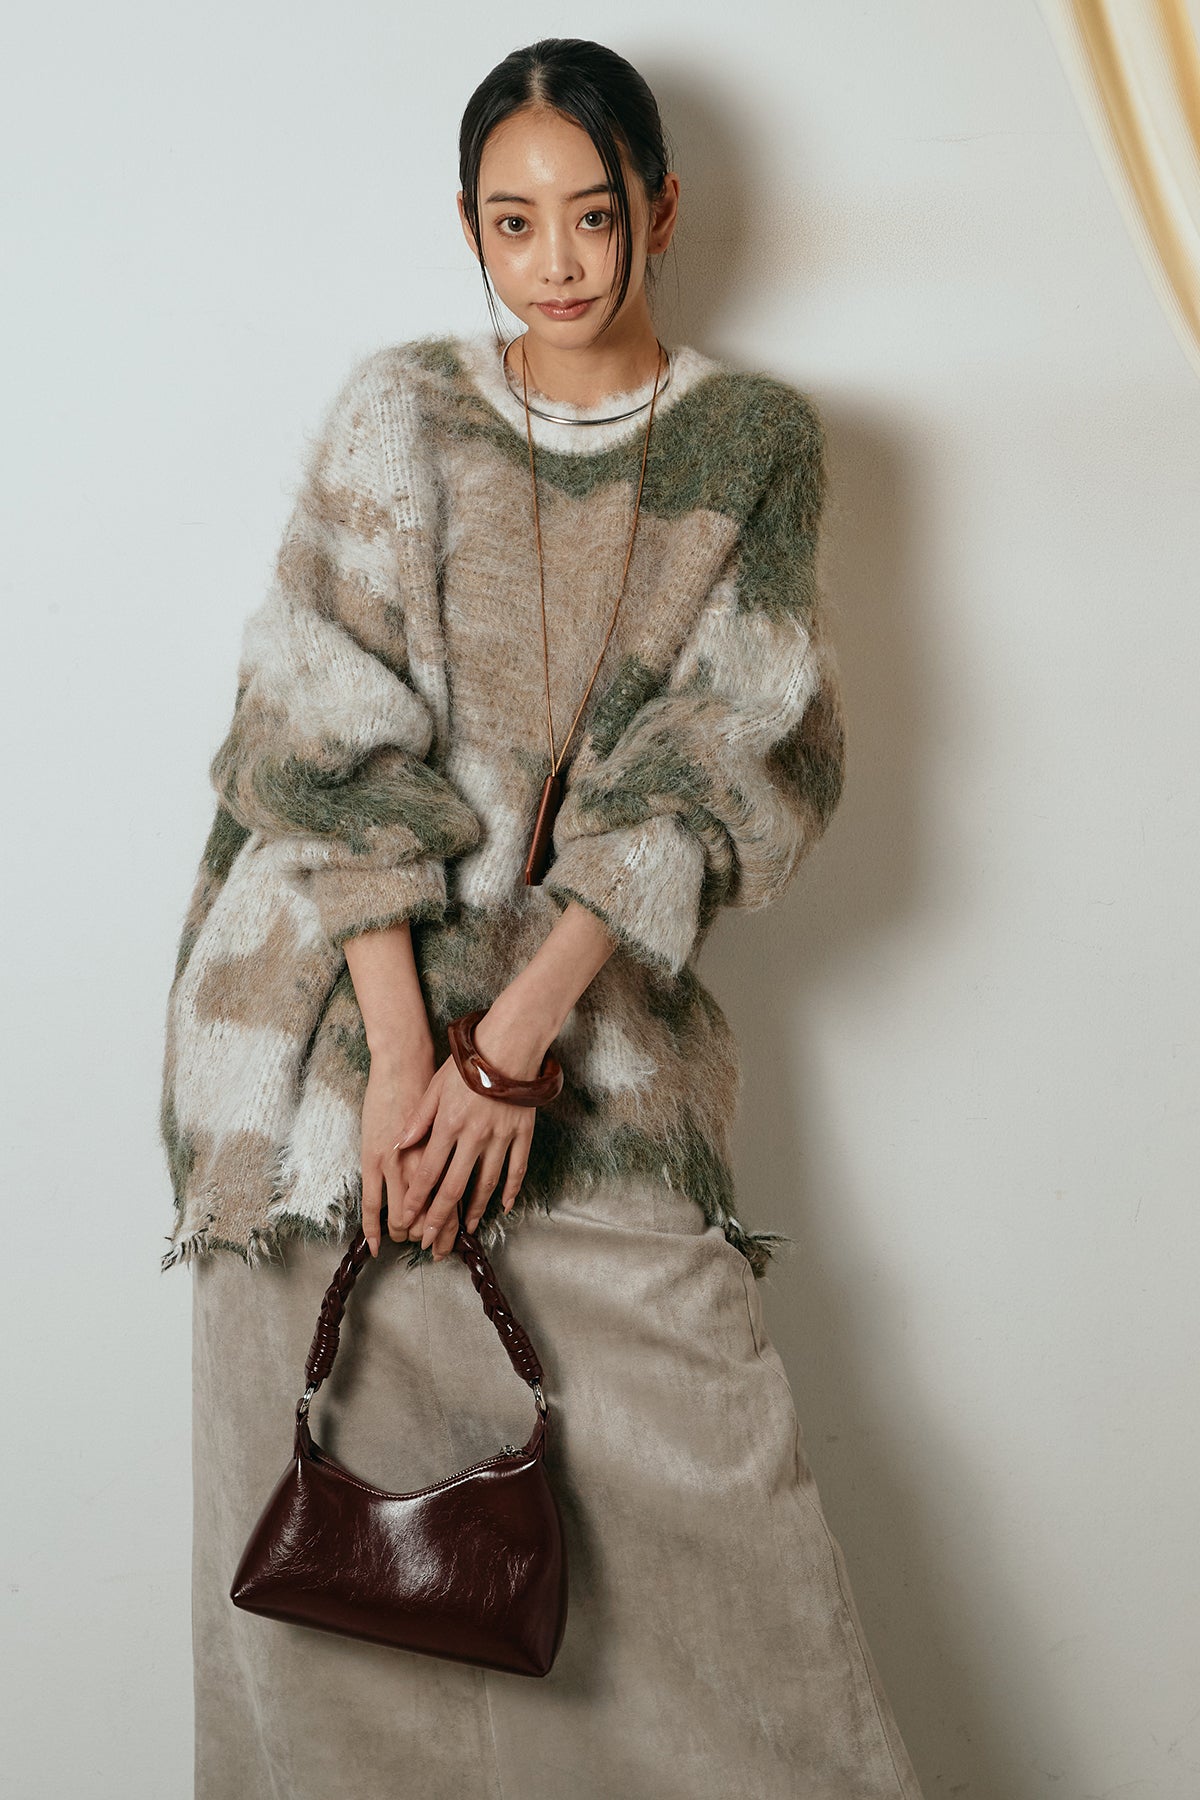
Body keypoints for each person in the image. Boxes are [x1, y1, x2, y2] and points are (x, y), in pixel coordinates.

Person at [160, 34, 926, 1800]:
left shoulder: (750, 444)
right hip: (320, 1032)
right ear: (469, 229)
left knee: (712, 1506)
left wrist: (510, 1051)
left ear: (659, 206)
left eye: (592, 212)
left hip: (581, 1029)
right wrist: (401, 1060)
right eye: (514, 223)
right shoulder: (399, 410)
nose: (559, 260)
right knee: (335, 1585)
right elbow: (319, 730)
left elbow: (722, 763)